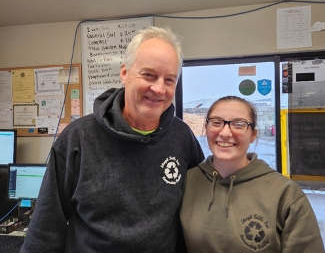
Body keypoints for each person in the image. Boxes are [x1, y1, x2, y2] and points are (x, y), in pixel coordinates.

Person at [21, 26, 204, 253]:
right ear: (125, 73)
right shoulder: (78, 138)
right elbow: (46, 228)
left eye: (169, 79)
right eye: (149, 75)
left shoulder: (182, 137)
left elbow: (200, 208)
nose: (159, 88)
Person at [180, 95, 324, 253]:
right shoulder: (186, 183)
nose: (226, 132)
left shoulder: (285, 194)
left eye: (239, 124)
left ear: (253, 135)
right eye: (216, 122)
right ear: (206, 128)